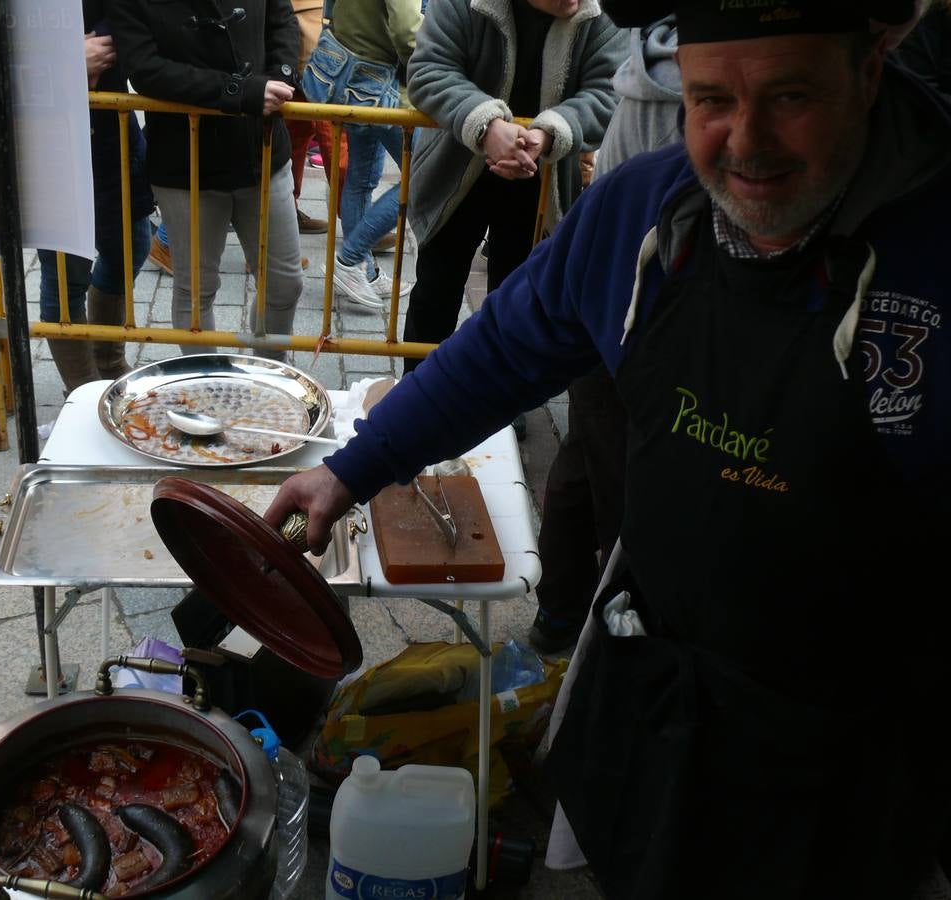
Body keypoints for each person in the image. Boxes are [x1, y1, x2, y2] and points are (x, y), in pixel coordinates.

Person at [266, 0, 950, 896]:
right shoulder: (645, 208)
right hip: (655, 687)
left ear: (871, 65)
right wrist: (351, 469)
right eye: (712, 101)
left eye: (790, 96)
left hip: (860, 741)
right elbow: (507, 346)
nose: (746, 143)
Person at [528, 16, 679, 654]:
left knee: (586, 457)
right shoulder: (658, 83)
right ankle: (605, 646)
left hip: (622, 311)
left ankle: (565, 617)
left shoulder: (644, 52)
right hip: (630, 319)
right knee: (617, 484)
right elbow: (504, 340)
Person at [398, 0, 622, 372]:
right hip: (454, 171)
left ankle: (501, 402)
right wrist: (486, 125)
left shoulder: (600, 13)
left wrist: (550, 132)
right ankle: (414, 394)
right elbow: (429, 70)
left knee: (518, 301)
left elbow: (609, 91)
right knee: (435, 292)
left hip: (542, 177)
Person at [108, 0, 304, 359]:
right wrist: (237, 92)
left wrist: (283, 74)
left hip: (261, 149)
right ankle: (205, 386)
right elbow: (145, 69)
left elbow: (282, 21)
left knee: (284, 283)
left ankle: (270, 376)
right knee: (196, 290)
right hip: (185, 160)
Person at [39, 3, 155, 392]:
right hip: (49, 131)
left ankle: (107, 361)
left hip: (111, 130)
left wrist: (98, 48)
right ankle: (82, 390)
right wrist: (63, 60)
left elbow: (131, 16)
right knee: (64, 271)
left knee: (131, 247)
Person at [302, 0, 422, 309]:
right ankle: (350, 260)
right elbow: (407, 31)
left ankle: (363, 272)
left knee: (361, 178)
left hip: (347, 73)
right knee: (423, 174)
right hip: (378, 84)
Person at [285, 0, 349, 234]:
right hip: (304, 46)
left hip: (312, 43)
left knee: (302, 140)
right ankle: (358, 224)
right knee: (328, 140)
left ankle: (356, 222)